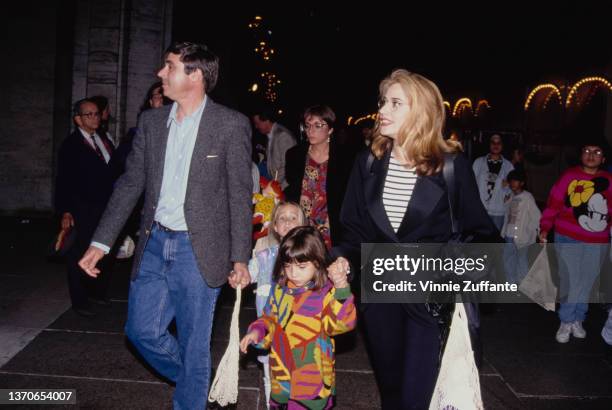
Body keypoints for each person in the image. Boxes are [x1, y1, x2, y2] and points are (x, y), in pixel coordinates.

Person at [78, 41, 253, 409]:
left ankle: (191, 390)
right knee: (141, 332)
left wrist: (240, 258)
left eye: (169, 66)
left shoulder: (229, 124)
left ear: (196, 76)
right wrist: (100, 242)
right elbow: (130, 184)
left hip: (199, 249)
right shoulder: (152, 122)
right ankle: (196, 380)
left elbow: (239, 194)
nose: (160, 74)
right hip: (154, 243)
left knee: (194, 343)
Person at [337, 69, 498, 409]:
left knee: (417, 395)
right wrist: (343, 260)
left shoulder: (451, 166)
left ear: (421, 112)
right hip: (380, 295)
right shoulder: (367, 162)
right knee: (392, 393)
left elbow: (482, 234)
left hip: (431, 300)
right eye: (383, 101)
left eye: (396, 103)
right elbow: (354, 230)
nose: (383, 110)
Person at [241, 226, 356, 409]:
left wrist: (341, 288)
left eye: (301, 266)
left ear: (317, 262)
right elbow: (269, 319)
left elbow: (341, 324)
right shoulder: (280, 290)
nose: (293, 273)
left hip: (312, 380)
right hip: (281, 376)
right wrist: (257, 332)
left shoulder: (326, 293)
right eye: (288, 265)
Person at [539, 138, 612, 343]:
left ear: (604, 157)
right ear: (581, 154)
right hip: (567, 236)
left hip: (597, 241)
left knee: (587, 281)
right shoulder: (569, 176)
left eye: (597, 152)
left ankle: (578, 318)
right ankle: (566, 320)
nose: (591, 155)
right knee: (570, 279)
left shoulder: (609, 180)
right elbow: (553, 203)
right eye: (587, 150)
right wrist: (545, 227)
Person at [55, 98, 116, 317]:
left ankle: (96, 293)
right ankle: (80, 301)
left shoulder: (102, 139)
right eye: (89, 114)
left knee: (103, 250)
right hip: (82, 208)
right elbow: (63, 180)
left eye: (97, 114)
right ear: (78, 119)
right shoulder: (71, 145)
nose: (95, 117)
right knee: (79, 253)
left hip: (105, 206)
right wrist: (66, 211)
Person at [248, 201, 306, 407]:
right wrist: (240, 275)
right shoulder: (265, 255)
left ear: (303, 224)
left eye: (293, 217)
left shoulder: (309, 257)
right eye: (282, 217)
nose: (288, 221)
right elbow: (250, 272)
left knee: (298, 372)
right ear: (274, 225)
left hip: (299, 328)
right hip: (270, 326)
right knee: (270, 371)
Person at [285, 105, 354, 249]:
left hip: (331, 227)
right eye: (308, 125)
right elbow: (291, 189)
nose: (310, 131)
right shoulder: (294, 154)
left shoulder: (344, 158)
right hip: (302, 224)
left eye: (318, 125)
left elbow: (349, 197)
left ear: (330, 129)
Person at [501, 170, 541, 284]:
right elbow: (507, 213)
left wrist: (539, 232)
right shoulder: (510, 195)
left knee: (521, 259)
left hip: (522, 235)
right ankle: (511, 282)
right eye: (511, 181)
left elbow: (536, 216)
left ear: (522, 183)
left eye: (516, 181)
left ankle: (523, 282)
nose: (513, 183)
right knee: (508, 259)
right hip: (509, 234)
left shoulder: (528, 197)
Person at [473, 134, 514, 230]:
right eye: (493, 142)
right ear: (489, 145)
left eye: (499, 143)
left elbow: (513, 188)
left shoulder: (509, 166)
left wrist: (508, 189)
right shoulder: (478, 163)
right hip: (481, 210)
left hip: (498, 212)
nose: (496, 145)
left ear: (502, 145)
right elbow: (471, 185)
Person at [252, 108, 296, 188]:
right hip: (277, 184)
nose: (256, 127)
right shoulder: (271, 135)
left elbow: (287, 165)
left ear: (266, 121)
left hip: (284, 186)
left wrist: (273, 184)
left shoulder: (283, 136)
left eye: (257, 123)